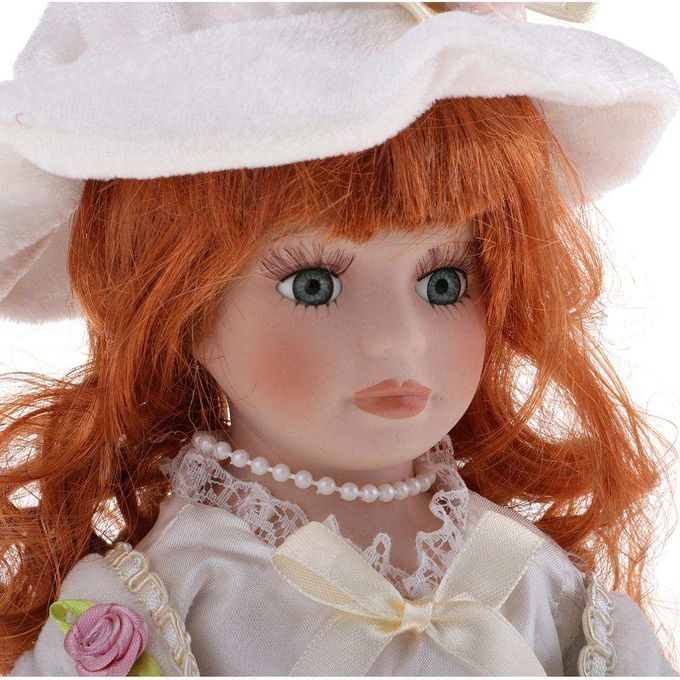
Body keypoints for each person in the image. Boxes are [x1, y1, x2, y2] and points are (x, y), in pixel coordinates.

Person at [1, 2, 678, 676]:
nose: (399, 340)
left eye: (443, 282)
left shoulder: (535, 581)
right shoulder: (183, 595)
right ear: (181, 309)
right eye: (313, 286)